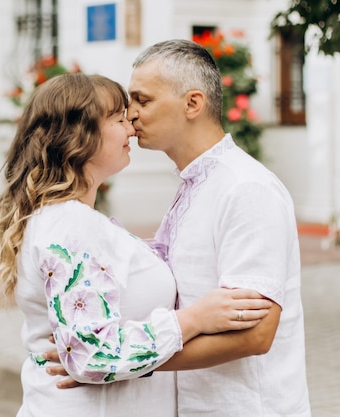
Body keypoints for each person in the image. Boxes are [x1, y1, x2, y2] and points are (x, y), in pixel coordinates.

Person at [47, 39, 312, 416]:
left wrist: (117, 364)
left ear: (193, 103)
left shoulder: (246, 189)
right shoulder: (196, 183)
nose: (132, 116)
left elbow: (256, 333)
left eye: (143, 100)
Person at [0, 72, 272, 417]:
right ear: (80, 136)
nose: (131, 128)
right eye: (119, 118)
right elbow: (92, 355)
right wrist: (193, 319)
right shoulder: (70, 226)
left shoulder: (76, 221)